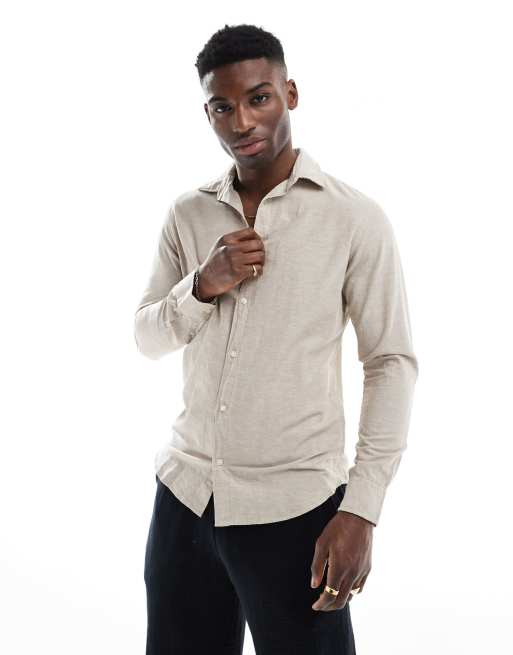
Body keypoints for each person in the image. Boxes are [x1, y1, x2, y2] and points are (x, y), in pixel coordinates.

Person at [134, 22, 418, 655]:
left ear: (290, 93)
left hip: (295, 511)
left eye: (258, 98)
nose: (242, 122)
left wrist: (361, 509)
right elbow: (146, 337)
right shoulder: (188, 214)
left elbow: (390, 362)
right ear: (207, 112)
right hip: (185, 499)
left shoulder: (354, 218)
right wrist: (201, 286)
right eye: (222, 106)